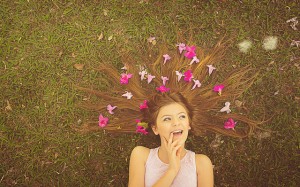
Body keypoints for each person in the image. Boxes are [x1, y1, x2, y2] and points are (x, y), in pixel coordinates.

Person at [76, 39, 260, 186]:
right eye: (167, 119)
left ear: (188, 124)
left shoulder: (201, 163)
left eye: (181, 117)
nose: (176, 123)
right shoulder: (141, 155)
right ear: (155, 129)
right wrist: (172, 169)